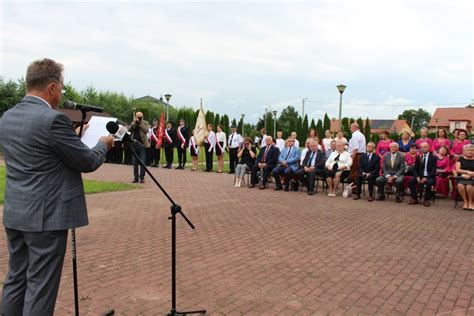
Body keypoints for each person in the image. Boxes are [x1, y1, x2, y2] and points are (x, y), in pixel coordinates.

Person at [0, 58, 114, 316]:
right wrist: (102, 145)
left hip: (16, 213)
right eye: (61, 88)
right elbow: (86, 161)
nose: (62, 93)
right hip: (46, 218)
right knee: (40, 287)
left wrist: (73, 136)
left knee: (16, 279)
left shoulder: (7, 117)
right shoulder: (53, 120)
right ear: (51, 87)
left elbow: (40, 152)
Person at [408, 142, 437, 206]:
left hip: (429, 176)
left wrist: (426, 178)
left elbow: (433, 170)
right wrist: (417, 176)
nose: (423, 149)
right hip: (420, 176)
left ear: (428, 148)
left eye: (424, 147)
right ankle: (415, 198)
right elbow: (415, 169)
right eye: (421, 147)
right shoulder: (418, 157)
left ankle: (426, 200)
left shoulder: (433, 158)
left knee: (429, 183)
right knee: (410, 182)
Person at [129, 111, 151, 181]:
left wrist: (140, 123)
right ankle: (136, 177)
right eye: (137, 117)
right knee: (135, 162)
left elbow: (146, 130)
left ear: (142, 117)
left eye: (139, 117)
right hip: (134, 144)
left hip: (142, 145)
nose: (138, 118)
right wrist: (134, 123)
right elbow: (128, 129)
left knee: (142, 162)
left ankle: (142, 177)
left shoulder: (145, 122)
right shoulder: (133, 123)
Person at [348, 123, 366, 193]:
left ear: (354, 128)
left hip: (356, 156)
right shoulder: (362, 135)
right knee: (358, 172)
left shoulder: (354, 135)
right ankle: (357, 188)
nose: (350, 129)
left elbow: (355, 148)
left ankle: (355, 190)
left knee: (354, 172)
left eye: (350, 128)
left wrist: (352, 160)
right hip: (361, 155)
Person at [455, 144, 474, 210]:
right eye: (468, 150)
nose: (470, 152)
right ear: (464, 151)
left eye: (472, 150)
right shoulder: (460, 159)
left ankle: (471, 202)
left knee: (469, 187)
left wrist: (470, 175)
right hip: (462, 177)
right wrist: (467, 172)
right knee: (460, 185)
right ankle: (465, 202)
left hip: (473, 178)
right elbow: (458, 170)